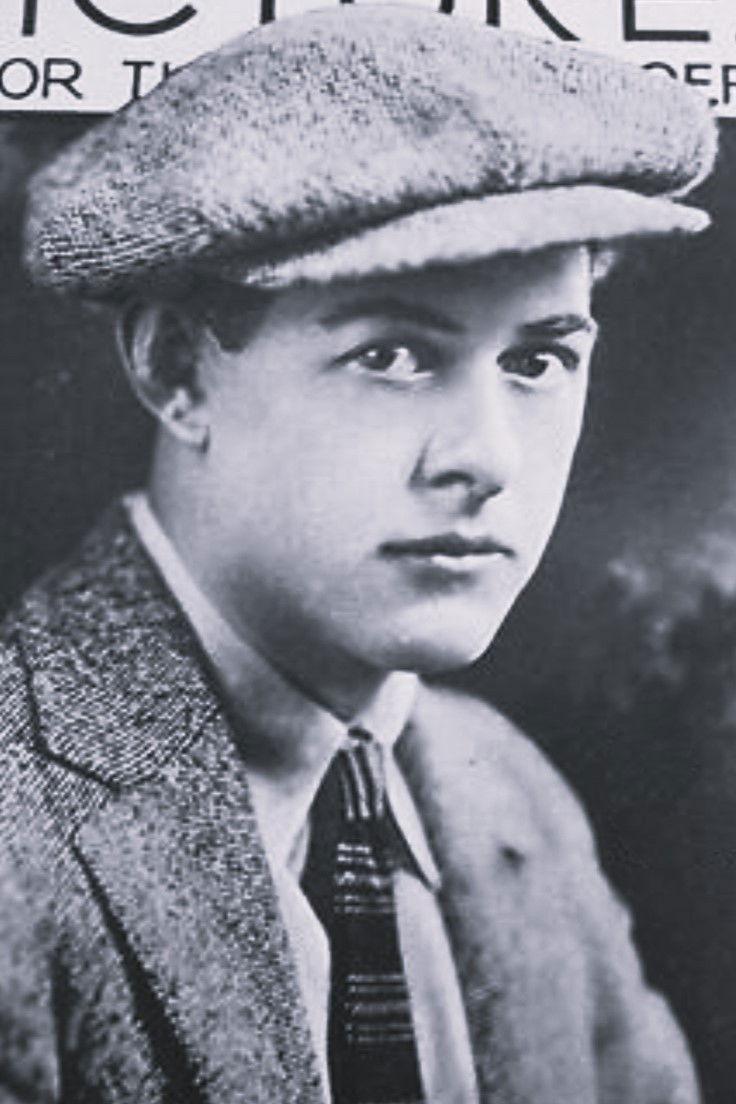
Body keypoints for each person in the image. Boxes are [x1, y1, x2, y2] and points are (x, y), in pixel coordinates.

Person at [0, 6, 717, 1103]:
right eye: (391, 355)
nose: (485, 459)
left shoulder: (513, 798)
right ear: (177, 370)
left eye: (536, 362)